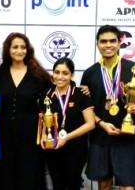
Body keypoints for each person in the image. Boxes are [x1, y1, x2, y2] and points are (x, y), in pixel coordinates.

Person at [81, 24, 135, 190]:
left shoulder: (134, 69)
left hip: (126, 135)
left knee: (127, 185)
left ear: (119, 43)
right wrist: (102, 124)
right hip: (100, 136)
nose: (108, 45)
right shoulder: (90, 73)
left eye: (112, 41)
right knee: (103, 185)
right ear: (97, 44)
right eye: (103, 41)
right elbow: (87, 109)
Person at [0, 32, 53, 190]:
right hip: (5, 133)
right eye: (15, 47)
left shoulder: (36, 73)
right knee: (7, 173)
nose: (19, 50)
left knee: (30, 174)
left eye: (23, 47)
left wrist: (80, 89)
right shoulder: (0, 73)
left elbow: (56, 90)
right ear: (8, 49)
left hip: (31, 134)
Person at [38, 57, 95, 190]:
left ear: (72, 75)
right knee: (57, 184)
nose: (60, 77)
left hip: (76, 148)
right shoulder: (46, 94)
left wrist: (66, 137)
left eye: (65, 73)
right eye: (57, 72)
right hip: (53, 147)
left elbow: (90, 123)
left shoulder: (81, 94)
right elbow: (43, 120)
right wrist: (43, 136)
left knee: (73, 184)